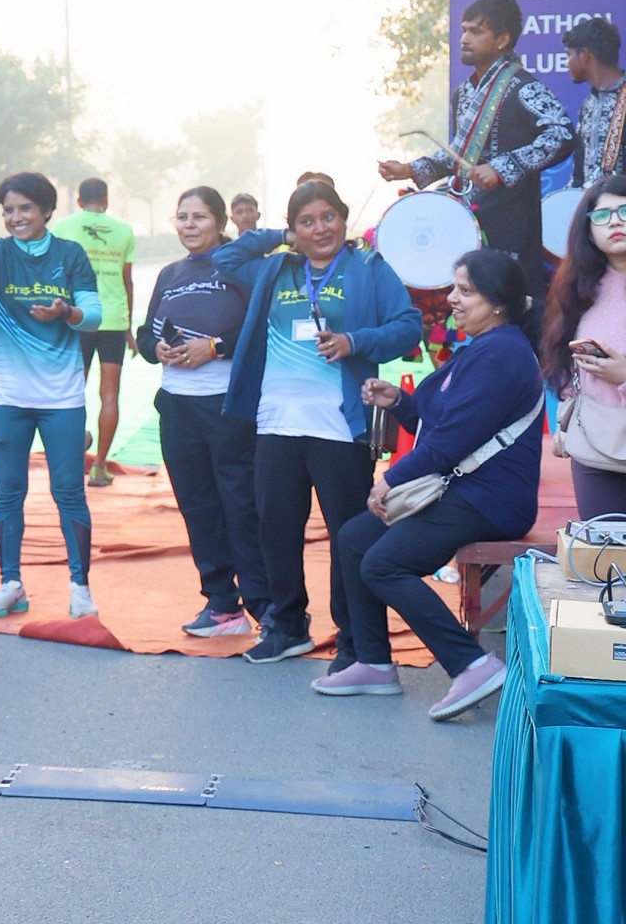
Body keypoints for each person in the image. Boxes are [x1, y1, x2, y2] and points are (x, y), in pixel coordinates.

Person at [331, 248, 543, 718]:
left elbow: (449, 442)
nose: (452, 299)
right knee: (355, 539)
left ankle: (472, 665)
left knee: (383, 563)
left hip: (490, 499)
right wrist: (399, 402)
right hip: (465, 490)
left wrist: (389, 480)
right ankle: (373, 662)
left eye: (465, 291)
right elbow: (440, 423)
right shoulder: (484, 348)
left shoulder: (500, 354)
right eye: (455, 288)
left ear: (499, 303)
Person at [220, 178, 421, 666]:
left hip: (340, 428)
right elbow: (225, 258)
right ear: (294, 229)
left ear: (344, 218)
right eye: (306, 221)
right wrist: (279, 237)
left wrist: (355, 342)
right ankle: (288, 627)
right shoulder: (276, 269)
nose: (320, 228)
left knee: (347, 537)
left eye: (328, 216)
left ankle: (353, 640)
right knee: (276, 532)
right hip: (276, 425)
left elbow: (408, 326)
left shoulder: (368, 267)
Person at [0, 171, 101, 618]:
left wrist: (66, 311)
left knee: (69, 492)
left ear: (47, 211)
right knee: (9, 494)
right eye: (8, 210)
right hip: (6, 396)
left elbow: (94, 315)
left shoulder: (70, 254)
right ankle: (10, 584)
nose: (16, 218)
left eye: (25, 209)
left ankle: (80, 588)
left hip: (62, 399)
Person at [378, 0, 572, 330]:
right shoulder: (465, 92)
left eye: (476, 31)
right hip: (467, 222)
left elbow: (563, 133)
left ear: (502, 40)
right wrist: (410, 170)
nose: (464, 38)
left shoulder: (523, 87)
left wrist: (503, 168)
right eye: (464, 30)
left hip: (511, 223)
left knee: (511, 315)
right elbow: (460, 153)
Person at [135, 183, 267, 636]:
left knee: (241, 505)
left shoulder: (240, 268)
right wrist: (156, 349)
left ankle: (268, 607)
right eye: (182, 217)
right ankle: (222, 605)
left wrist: (215, 347)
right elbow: (146, 334)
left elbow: (262, 329)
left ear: (220, 222)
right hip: (177, 408)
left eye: (200, 217)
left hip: (228, 406)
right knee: (197, 505)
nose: (189, 225)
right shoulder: (169, 274)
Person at [540, 171, 626, 520]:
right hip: (595, 448)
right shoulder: (576, 290)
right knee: (604, 551)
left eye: (625, 211)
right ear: (588, 231)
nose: (615, 222)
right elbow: (561, 362)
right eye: (602, 215)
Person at [59, 175, 135, 486]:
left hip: (77, 317)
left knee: (72, 392)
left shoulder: (63, 227)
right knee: (110, 395)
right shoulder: (124, 230)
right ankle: (100, 466)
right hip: (113, 320)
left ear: (79, 201)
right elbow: (127, 282)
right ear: (106, 200)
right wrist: (128, 329)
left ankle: (76, 447)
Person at [565, 17, 625, 186]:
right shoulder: (588, 106)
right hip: (593, 200)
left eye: (568, 55)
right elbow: (579, 174)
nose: (566, 63)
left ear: (585, 55)